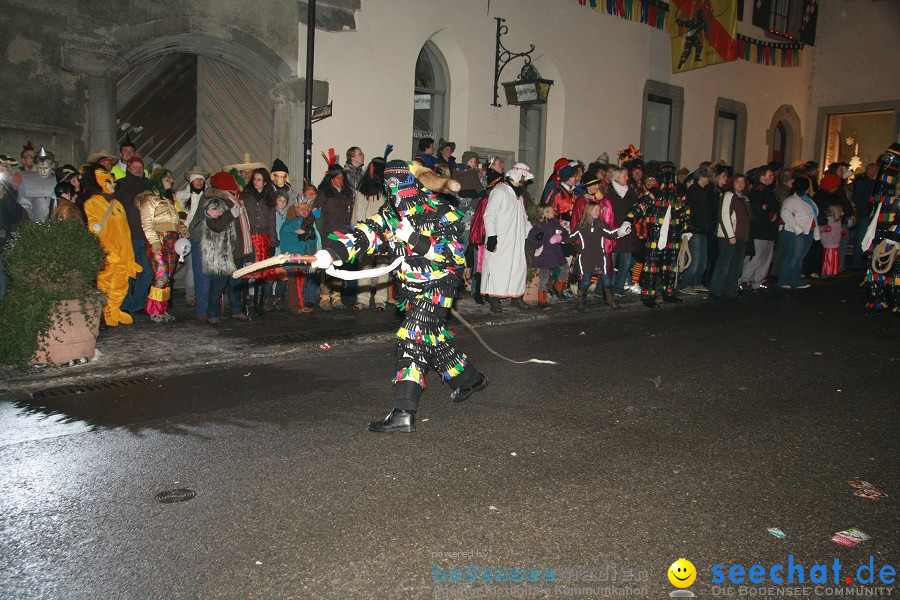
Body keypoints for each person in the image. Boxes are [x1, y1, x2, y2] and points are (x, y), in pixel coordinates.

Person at [308, 160, 487, 433]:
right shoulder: (389, 213)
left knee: (413, 335)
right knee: (433, 338)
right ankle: (469, 380)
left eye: (399, 184)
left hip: (438, 286)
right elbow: (364, 235)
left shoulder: (441, 210)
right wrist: (330, 253)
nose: (395, 192)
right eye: (389, 185)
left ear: (413, 183)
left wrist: (415, 239)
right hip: (411, 288)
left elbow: (453, 256)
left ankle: (404, 412)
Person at [621, 163, 690, 308]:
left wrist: (686, 230)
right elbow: (639, 207)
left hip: (674, 235)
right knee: (651, 266)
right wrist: (628, 221)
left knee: (671, 266)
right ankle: (648, 295)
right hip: (655, 235)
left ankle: (669, 293)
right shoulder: (653, 193)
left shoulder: (679, 195)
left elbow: (685, 214)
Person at [83, 163, 142, 326]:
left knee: (121, 286)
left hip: (123, 254)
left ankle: (115, 310)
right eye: (109, 181)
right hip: (108, 255)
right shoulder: (92, 203)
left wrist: (130, 256)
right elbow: (94, 230)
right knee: (105, 285)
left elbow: (126, 231)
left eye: (113, 181)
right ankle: (106, 312)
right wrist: (109, 251)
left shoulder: (117, 204)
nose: (113, 184)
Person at [137, 167, 190, 323]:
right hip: (158, 240)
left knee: (167, 277)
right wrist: (154, 242)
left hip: (172, 241)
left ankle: (162, 309)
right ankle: (154, 311)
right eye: (168, 178)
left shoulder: (169, 199)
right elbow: (146, 223)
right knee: (161, 275)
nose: (172, 181)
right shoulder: (149, 199)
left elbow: (176, 220)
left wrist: (183, 228)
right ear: (159, 180)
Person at [198, 173, 250, 325]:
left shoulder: (236, 199)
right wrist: (230, 213)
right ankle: (212, 313)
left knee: (235, 282)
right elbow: (215, 225)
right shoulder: (216, 201)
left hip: (238, 248)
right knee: (218, 284)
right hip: (222, 251)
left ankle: (236, 310)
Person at [481, 163, 533, 313]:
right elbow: (489, 215)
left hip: (516, 240)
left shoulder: (519, 195)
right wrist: (492, 236)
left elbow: (523, 218)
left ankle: (516, 297)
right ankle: (494, 300)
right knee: (498, 268)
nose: (525, 180)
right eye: (524, 176)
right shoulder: (500, 191)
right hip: (501, 239)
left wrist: (532, 233)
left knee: (517, 268)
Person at [861, 144, 900, 313]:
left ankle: (893, 300)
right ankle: (877, 299)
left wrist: (894, 236)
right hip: (879, 237)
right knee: (876, 269)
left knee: (895, 271)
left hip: (891, 238)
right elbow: (874, 213)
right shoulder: (881, 196)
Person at [570, 201, 627, 310]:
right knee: (585, 279)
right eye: (596, 209)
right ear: (589, 211)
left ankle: (610, 299)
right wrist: (559, 239)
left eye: (599, 210)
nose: (598, 212)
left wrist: (621, 232)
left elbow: (610, 234)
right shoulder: (581, 226)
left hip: (600, 257)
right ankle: (580, 300)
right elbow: (571, 238)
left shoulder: (600, 224)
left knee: (606, 278)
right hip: (586, 258)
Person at [315, 157, 355, 310]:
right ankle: (324, 296)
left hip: (343, 235)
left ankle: (337, 296)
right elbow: (314, 211)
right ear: (330, 179)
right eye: (337, 178)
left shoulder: (347, 194)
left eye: (342, 178)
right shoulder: (324, 193)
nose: (340, 181)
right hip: (328, 235)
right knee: (327, 265)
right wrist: (306, 227)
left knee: (340, 265)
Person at [352, 156, 391, 310]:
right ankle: (362, 300)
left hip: (381, 233)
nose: (370, 170)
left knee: (382, 267)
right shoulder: (362, 188)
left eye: (372, 167)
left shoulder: (387, 191)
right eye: (369, 167)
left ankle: (381, 300)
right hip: (364, 232)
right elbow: (356, 211)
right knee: (365, 267)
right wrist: (355, 230)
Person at [118, 156, 153, 315]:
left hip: (146, 236)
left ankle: (137, 304)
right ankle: (125, 304)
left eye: (140, 166)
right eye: (135, 166)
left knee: (147, 272)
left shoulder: (149, 185)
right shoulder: (121, 185)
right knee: (128, 272)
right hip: (128, 235)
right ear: (128, 168)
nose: (138, 169)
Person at [241, 167, 279, 316]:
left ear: (264, 182)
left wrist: (273, 242)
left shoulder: (270, 197)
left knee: (261, 272)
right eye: (254, 179)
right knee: (245, 270)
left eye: (259, 180)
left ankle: (258, 304)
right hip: (248, 238)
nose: (256, 182)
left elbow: (272, 222)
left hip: (263, 238)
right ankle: (243, 302)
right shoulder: (246, 195)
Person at [709, 173, 751, 300]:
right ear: (732, 183)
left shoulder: (744, 198)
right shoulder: (729, 196)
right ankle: (716, 289)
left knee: (736, 264)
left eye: (742, 182)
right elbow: (724, 216)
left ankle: (730, 289)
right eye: (737, 182)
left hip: (741, 235)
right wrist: (730, 235)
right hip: (728, 235)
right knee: (724, 262)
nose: (740, 184)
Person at [175, 165, 210, 310]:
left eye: (201, 180)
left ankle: (203, 294)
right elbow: (179, 217)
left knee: (204, 267)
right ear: (191, 181)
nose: (199, 182)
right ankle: (190, 295)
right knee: (191, 268)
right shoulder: (182, 197)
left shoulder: (208, 196)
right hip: (189, 236)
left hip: (206, 236)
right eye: (196, 180)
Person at [740, 166, 778, 292]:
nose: (772, 177)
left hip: (769, 230)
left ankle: (758, 280)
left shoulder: (768, 190)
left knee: (766, 258)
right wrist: (768, 214)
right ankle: (744, 280)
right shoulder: (758, 191)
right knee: (757, 257)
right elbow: (756, 209)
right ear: (762, 177)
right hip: (760, 229)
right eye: (770, 175)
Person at [280, 193, 319, 314]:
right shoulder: (289, 223)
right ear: (296, 209)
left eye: (307, 209)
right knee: (294, 283)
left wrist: (311, 236)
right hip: (293, 258)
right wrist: (300, 236)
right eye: (302, 209)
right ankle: (296, 306)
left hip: (303, 258)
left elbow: (312, 242)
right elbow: (287, 239)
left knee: (300, 283)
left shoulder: (308, 224)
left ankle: (300, 304)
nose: (305, 211)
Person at [777, 177, 817, 290]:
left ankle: (794, 280)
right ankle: (784, 280)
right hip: (794, 232)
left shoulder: (806, 200)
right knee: (794, 256)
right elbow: (785, 213)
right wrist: (797, 228)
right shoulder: (791, 200)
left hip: (806, 231)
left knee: (799, 257)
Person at [527, 205, 569, 310]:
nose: (552, 212)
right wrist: (539, 245)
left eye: (552, 211)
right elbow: (531, 237)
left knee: (565, 268)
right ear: (544, 213)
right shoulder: (539, 226)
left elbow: (565, 232)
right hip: (544, 255)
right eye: (549, 211)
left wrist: (559, 237)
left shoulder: (555, 223)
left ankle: (557, 287)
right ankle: (542, 300)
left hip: (556, 252)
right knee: (544, 278)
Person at [607, 166, 640, 298]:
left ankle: (619, 288)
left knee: (625, 263)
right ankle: (604, 288)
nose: (627, 178)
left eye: (627, 175)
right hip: (613, 232)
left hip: (627, 232)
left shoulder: (630, 192)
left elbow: (636, 209)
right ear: (617, 177)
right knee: (610, 262)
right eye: (624, 176)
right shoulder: (608, 191)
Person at [16, 146, 56, 222]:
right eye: (40, 168)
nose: (42, 172)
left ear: (52, 165)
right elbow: (23, 205)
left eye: (45, 168)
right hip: (34, 224)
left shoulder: (59, 179)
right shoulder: (26, 181)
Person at [819, 204, 845, 279]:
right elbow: (820, 228)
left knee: (834, 257)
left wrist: (842, 232)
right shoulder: (828, 220)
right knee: (829, 257)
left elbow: (838, 229)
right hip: (829, 241)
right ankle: (827, 272)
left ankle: (833, 271)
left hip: (835, 241)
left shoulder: (837, 221)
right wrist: (824, 229)